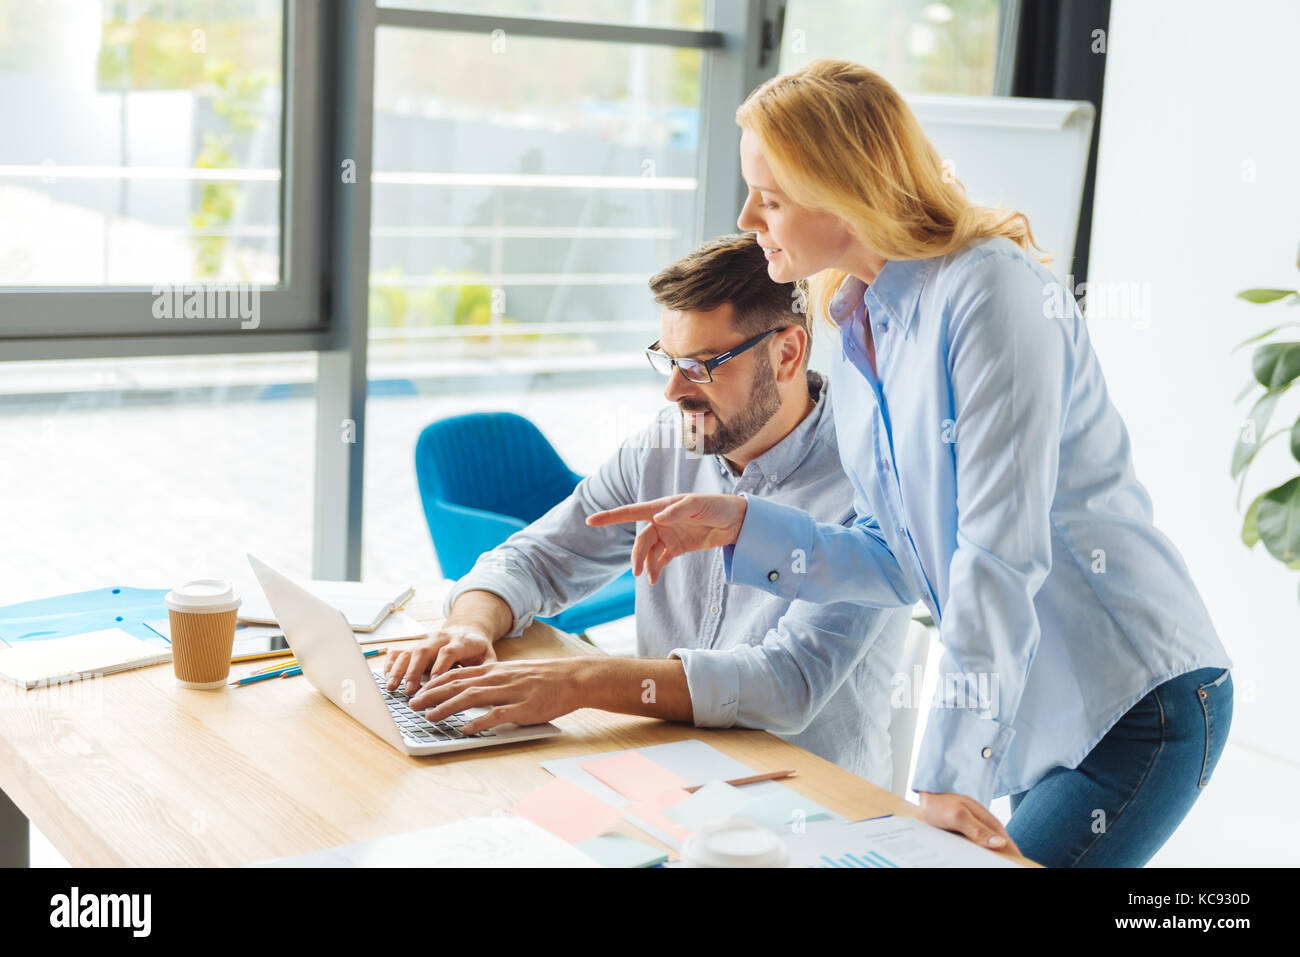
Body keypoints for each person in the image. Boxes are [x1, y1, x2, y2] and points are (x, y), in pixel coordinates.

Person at [588, 59, 1233, 868]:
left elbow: (999, 555)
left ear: (844, 187)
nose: (749, 215)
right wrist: (744, 524)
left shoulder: (988, 293)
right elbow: (898, 559)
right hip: (1039, 701)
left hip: (1136, 696)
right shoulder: (857, 317)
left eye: (773, 195)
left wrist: (944, 776)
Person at [388, 232, 913, 787]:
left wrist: (582, 680)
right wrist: (469, 625)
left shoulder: (868, 478)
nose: (673, 390)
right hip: (663, 765)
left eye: (702, 365)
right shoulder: (671, 438)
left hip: (806, 801)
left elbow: (787, 684)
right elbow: (541, 555)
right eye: (668, 359)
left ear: (786, 353)